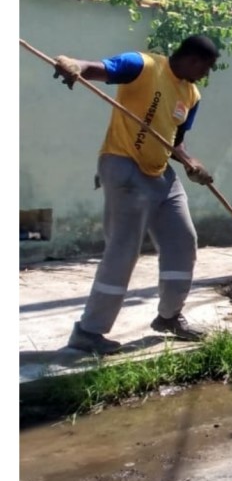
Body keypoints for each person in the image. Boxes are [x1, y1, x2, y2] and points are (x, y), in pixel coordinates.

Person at [51, 34, 220, 355]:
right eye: (207, 68)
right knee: (124, 249)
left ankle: (169, 317)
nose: (206, 75)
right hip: (123, 164)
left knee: (183, 241)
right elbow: (97, 69)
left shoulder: (192, 94)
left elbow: (175, 140)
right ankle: (89, 331)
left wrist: (190, 162)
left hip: (160, 174)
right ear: (194, 60)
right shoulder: (144, 65)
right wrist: (75, 65)